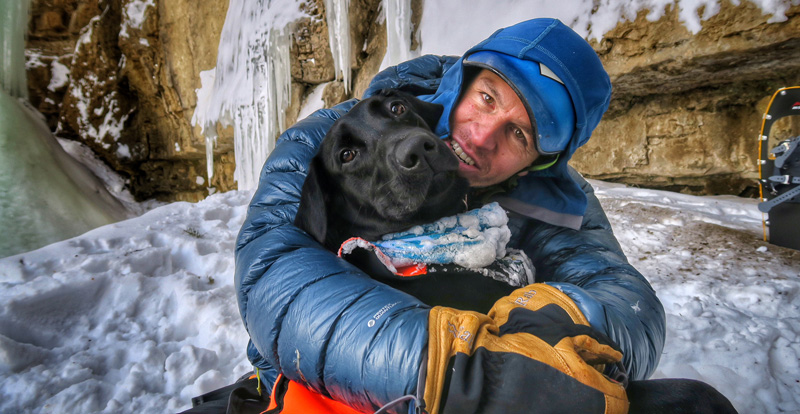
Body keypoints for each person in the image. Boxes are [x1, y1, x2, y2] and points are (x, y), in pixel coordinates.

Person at [235, 18, 665, 414]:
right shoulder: (323, 136)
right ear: (460, 82)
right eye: (486, 97)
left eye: (519, 134)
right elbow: (273, 273)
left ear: (539, 163)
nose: (479, 137)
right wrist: (447, 368)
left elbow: (627, 301)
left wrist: (560, 317)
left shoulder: (555, 201)